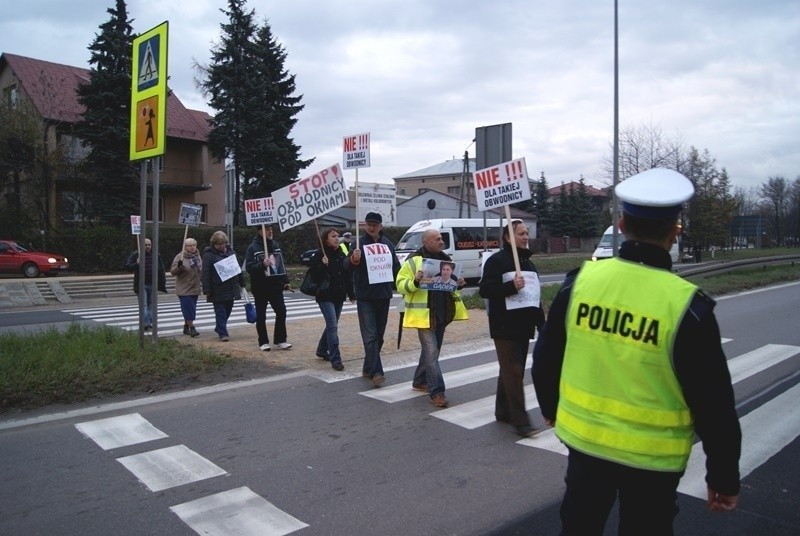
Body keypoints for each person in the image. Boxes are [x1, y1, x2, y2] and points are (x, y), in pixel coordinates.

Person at [532, 168, 741, 535]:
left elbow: (546, 358)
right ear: (676, 229)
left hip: (586, 445)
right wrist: (723, 477)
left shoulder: (580, 283)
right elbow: (715, 405)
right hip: (653, 462)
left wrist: (551, 409)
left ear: (622, 223)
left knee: (578, 527)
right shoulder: (688, 307)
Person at [479, 220, 544, 438]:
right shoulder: (496, 261)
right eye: (521, 233)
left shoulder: (528, 264)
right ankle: (521, 422)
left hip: (523, 326)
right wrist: (510, 287)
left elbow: (535, 297)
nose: (526, 237)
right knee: (514, 372)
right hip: (504, 326)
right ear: (508, 237)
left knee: (508, 370)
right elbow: (485, 290)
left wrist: (541, 324)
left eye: (527, 233)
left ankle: (503, 410)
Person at [396, 228, 468, 407]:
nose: (441, 241)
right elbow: (399, 284)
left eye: (441, 238)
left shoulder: (447, 260)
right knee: (432, 353)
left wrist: (458, 284)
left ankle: (419, 381)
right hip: (424, 317)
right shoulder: (413, 261)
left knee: (431, 353)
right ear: (426, 242)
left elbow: (449, 286)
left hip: (442, 315)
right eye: (437, 239)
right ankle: (437, 391)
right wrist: (414, 282)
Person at [344, 212, 401, 387]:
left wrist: (406, 284)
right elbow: (346, 266)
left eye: (374, 224)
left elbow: (396, 268)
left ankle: (368, 367)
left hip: (383, 295)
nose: (371, 227)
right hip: (365, 296)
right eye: (368, 224)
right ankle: (377, 371)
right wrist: (354, 259)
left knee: (380, 336)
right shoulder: (358, 244)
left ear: (380, 227)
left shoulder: (388, 244)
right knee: (370, 335)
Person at [310, 228, 355, 371]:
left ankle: (322, 349)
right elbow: (315, 277)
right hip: (325, 296)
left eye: (337, 236)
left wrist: (351, 294)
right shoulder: (320, 255)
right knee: (333, 326)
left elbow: (347, 276)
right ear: (325, 240)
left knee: (332, 325)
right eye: (333, 236)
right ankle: (336, 358)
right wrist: (322, 265)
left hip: (338, 295)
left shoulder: (341, 254)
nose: (337, 238)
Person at [245, 225, 292, 351]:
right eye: (267, 229)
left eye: (271, 229)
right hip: (260, 287)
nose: (270, 231)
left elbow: (280, 264)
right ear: (260, 231)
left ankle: (280, 339)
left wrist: (286, 281)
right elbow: (249, 268)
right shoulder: (252, 248)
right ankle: (263, 341)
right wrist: (262, 264)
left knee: (281, 311)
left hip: (276, 286)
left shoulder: (275, 245)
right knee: (261, 315)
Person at [201, 231, 244, 342]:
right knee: (220, 311)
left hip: (230, 287)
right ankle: (223, 333)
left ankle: (219, 327)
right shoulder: (208, 255)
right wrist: (206, 288)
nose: (221, 246)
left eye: (223, 243)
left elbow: (237, 267)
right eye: (219, 244)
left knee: (228, 310)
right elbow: (205, 273)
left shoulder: (231, 252)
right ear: (214, 244)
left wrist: (241, 282)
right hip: (217, 288)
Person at [125, 237, 166, 331]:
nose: (148, 247)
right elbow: (128, 267)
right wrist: (137, 263)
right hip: (141, 284)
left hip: (152, 283)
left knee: (151, 304)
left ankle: (149, 322)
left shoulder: (156, 255)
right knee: (143, 305)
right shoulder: (136, 255)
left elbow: (161, 269)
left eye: (149, 245)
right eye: (145, 245)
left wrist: (162, 282)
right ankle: (146, 323)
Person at [170, 238, 202, 337]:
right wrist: (178, 267)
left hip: (195, 287)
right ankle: (192, 327)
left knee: (190, 308)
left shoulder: (197, 257)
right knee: (188, 308)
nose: (192, 247)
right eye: (189, 245)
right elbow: (173, 272)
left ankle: (186, 326)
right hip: (184, 288)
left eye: (194, 245)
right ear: (185, 247)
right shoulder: (180, 257)